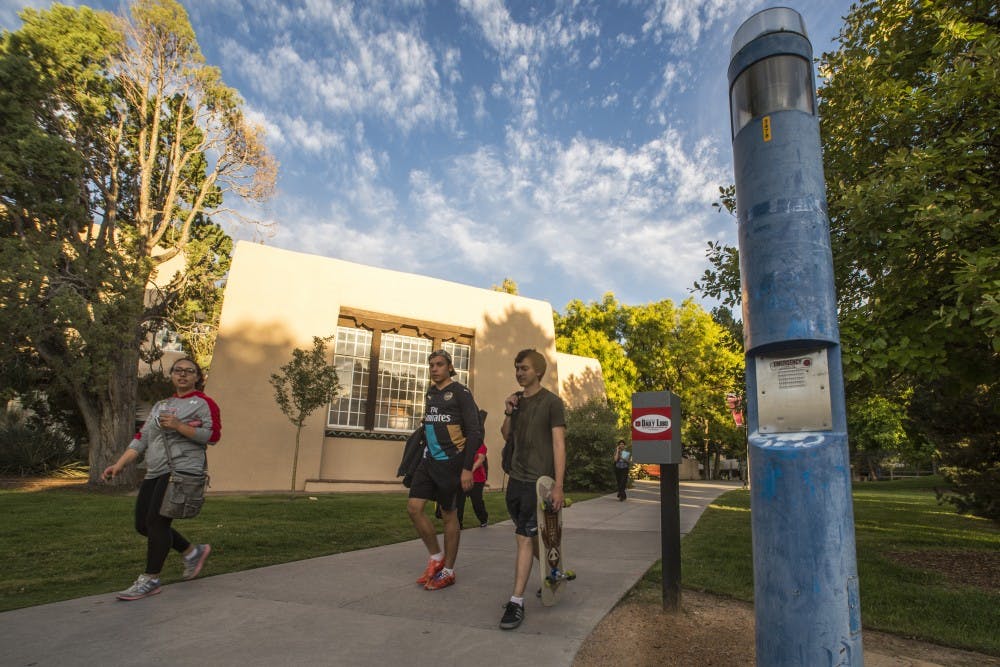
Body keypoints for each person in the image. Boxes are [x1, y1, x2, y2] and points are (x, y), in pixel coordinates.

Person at [103, 357, 221, 601]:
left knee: (157, 522)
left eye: (189, 371)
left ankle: (151, 579)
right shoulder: (161, 405)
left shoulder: (204, 403)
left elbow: (213, 436)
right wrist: (120, 464)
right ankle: (192, 552)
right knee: (143, 525)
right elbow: (142, 437)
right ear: (172, 375)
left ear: (197, 377)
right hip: (155, 469)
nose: (183, 375)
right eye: (178, 371)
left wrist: (179, 426)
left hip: (181, 469)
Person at [498, 349, 566, 630]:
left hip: (539, 484)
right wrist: (508, 411)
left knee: (524, 538)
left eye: (524, 368)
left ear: (538, 371)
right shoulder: (517, 401)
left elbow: (559, 444)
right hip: (515, 480)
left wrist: (559, 486)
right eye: (516, 368)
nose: (519, 372)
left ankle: (516, 601)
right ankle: (555, 572)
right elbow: (505, 434)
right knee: (531, 537)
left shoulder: (552, 402)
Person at [407, 349, 483, 591]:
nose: (434, 368)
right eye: (431, 365)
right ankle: (436, 559)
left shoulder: (461, 393)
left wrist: (467, 468)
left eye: (439, 364)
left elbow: (475, 432)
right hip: (428, 461)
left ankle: (448, 571)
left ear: (450, 367)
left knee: (449, 515)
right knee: (414, 508)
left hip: (452, 463)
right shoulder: (430, 393)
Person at [464, 410, 490, 528]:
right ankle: (458, 524)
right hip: (463, 477)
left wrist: (468, 469)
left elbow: (480, 460)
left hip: (477, 479)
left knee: (476, 502)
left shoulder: (481, 445)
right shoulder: (463, 443)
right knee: (459, 502)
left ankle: (483, 519)